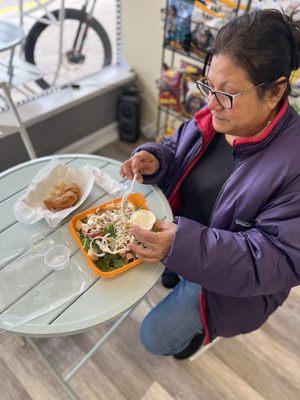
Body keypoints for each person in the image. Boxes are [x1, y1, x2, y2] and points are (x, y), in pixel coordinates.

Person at [120, 9, 300, 360]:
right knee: (166, 272)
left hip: (234, 285)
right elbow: (177, 149)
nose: (210, 103)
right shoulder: (215, 115)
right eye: (208, 86)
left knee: (155, 338)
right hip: (186, 237)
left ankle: (200, 333)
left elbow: (276, 259)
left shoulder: (294, 165)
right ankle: (180, 273)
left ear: (275, 91)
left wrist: (183, 246)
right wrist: (156, 158)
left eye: (228, 94)